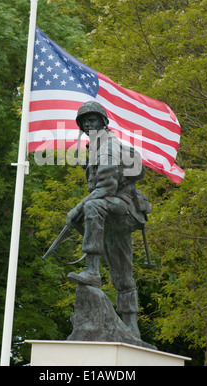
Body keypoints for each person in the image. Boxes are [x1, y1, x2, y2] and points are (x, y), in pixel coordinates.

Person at [66, 101, 151, 336]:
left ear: (104, 123)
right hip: (110, 210)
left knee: (91, 206)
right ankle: (131, 323)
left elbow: (106, 186)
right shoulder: (94, 148)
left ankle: (91, 269)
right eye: (84, 121)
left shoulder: (108, 147)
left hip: (123, 208)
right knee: (122, 270)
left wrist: (76, 209)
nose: (87, 124)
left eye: (92, 119)